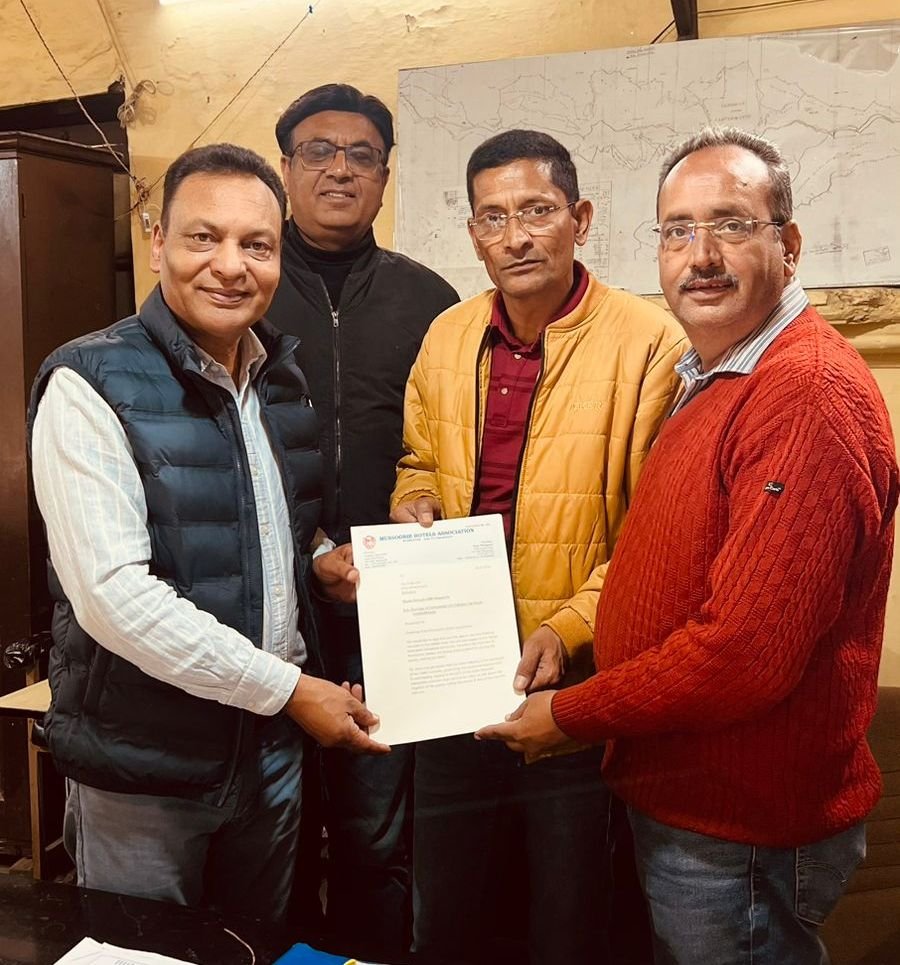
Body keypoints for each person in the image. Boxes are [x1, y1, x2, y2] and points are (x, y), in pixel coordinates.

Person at [477, 127, 899, 964]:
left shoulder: (804, 394)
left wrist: (570, 714)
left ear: (789, 244)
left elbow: (743, 655)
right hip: (697, 804)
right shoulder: (715, 372)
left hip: (741, 828)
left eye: (732, 225)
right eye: (677, 230)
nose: (700, 255)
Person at [28, 143, 387, 923]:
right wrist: (291, 690)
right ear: (159, 241)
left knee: (257, 945)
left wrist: (319, 561)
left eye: (256, 244)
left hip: (270, 761)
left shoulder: (279, 376)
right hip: (146, 770)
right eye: (204, 237)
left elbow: (268, 519)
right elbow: (114, 596)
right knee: (140, 954)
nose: (230, 265)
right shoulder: (89, 383)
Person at [391, 129, 686, 965]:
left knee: (568, 919)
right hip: (449, 681)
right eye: (493, 217)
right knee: (445, 918)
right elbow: (417, 459)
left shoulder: (651, 344)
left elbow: (655, 535)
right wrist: (413, 502)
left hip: (572, 687)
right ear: (473, 233)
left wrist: (568, 625)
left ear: (580, 219)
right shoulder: (448, 335)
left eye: (537, 211)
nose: (515, 236)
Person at [264, 83, 458, 960]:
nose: (340, 169)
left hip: (392, 611)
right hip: (269, 609)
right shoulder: (246, 284)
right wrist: (311, 553)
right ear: (286, 168)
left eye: (362, 155)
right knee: (273, 830)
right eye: (318, 151)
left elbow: (452, 443)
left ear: (385, 176)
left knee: (378, 837)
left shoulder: (433, 301)